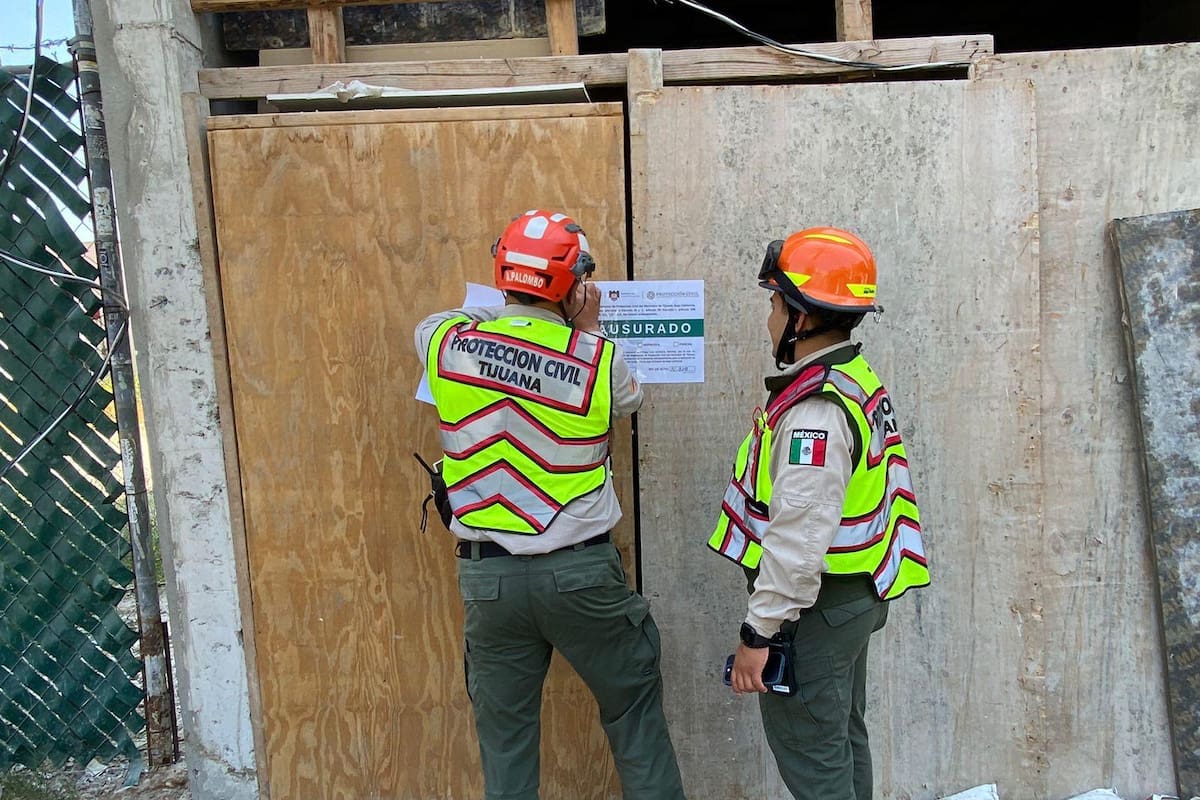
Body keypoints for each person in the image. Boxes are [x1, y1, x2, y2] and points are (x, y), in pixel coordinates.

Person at [414, 209, 686, 800]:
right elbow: (629, 400)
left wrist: (512, 311)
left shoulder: (444, 343)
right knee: (634, 717)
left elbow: (446, 320)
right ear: (574, 284)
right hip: (581, 574)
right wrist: (581, 326)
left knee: (506, 744)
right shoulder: (600, 360)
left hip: (489, 581)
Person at [708, 227, 931, 800]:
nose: (769, 316)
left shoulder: (816, 409)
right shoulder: (851, 378)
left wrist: (759, 632)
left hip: (813, 612)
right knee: (841, 741)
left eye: (774, 302)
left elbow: (798, 538)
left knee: (814, 757)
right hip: (848, 602)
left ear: (801, 317)